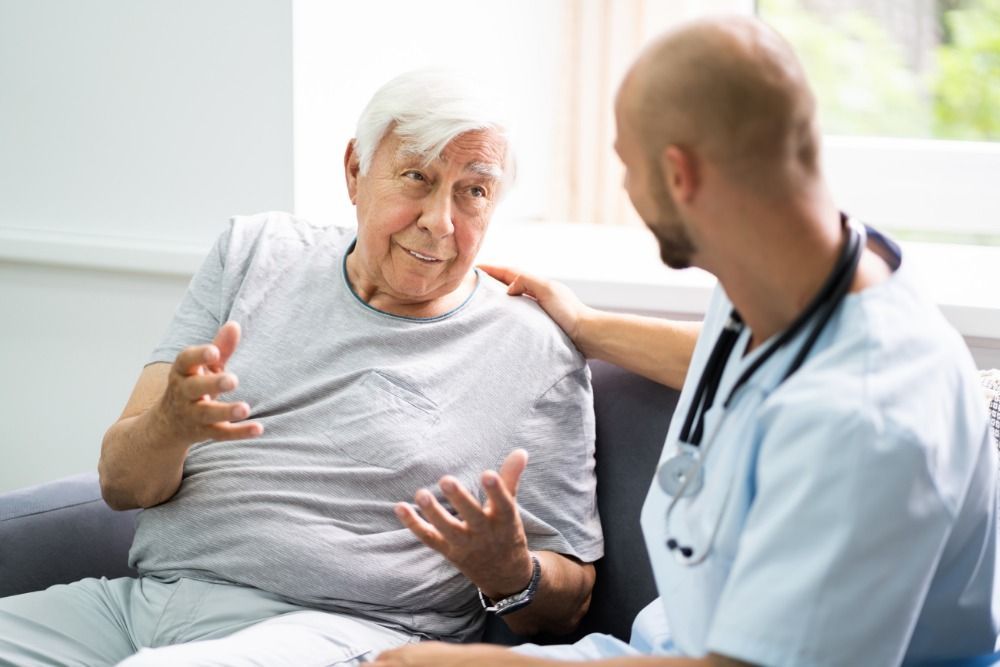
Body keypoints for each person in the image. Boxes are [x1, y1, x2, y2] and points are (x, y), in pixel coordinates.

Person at [371, 16, 999, 667]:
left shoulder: (868, 423)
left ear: (679, 176)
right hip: (672, 638)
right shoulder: (806, 259)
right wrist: (586, 325)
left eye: (626, 164)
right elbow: (742, 358)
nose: (625, 188)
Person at [0, 70, 604, 666]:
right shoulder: (255, 252)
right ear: (354, 171)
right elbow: (122, 484)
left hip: (345, 630)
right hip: (143, 609)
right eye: (417, 177)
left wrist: (512, 573)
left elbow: (568, 608)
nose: (440, 220)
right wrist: (171, 425)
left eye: (473, 191)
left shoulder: (532, 346)